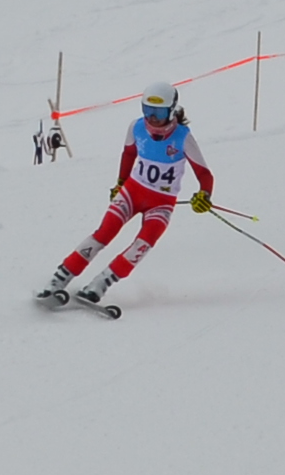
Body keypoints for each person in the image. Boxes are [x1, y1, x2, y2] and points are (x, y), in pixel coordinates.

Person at [38, 80, 214, 309]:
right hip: (132, 192)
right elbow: (129, 154)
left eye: (159, 113)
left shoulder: (182, 137)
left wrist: (204, 195)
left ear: (172, 111)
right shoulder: (136, 127)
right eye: (147, 110)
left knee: (142, 245)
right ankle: (59, 279)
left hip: (161, 203)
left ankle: (99, 285)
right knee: (103, 234)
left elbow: (204, 174)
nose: (152, 118)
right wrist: (120, 182)